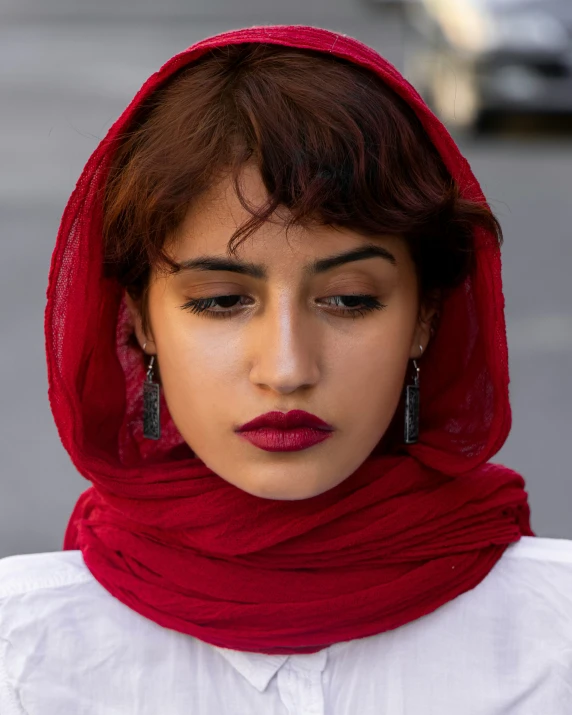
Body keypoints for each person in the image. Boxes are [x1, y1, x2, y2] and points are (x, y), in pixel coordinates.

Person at [1, 24, 571, 715]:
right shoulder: (26, 653)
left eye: (350, 300)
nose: (287, 368)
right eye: (220, 300)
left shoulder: (553, 641)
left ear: (425, 317)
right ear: (142, 322)